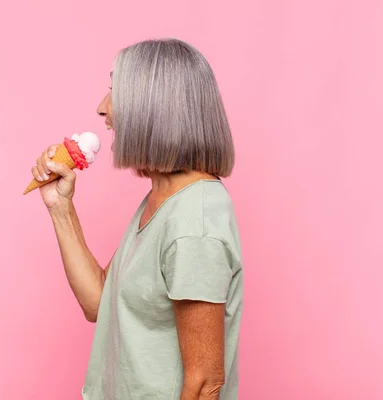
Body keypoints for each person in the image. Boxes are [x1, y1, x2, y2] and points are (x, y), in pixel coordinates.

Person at [31, 38, 243, 400]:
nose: (102, 108)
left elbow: (205, 383)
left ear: (152, 107)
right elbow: (100, 303)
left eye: (116, 90)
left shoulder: (195, 224)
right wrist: (60, 206)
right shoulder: (165, 199)